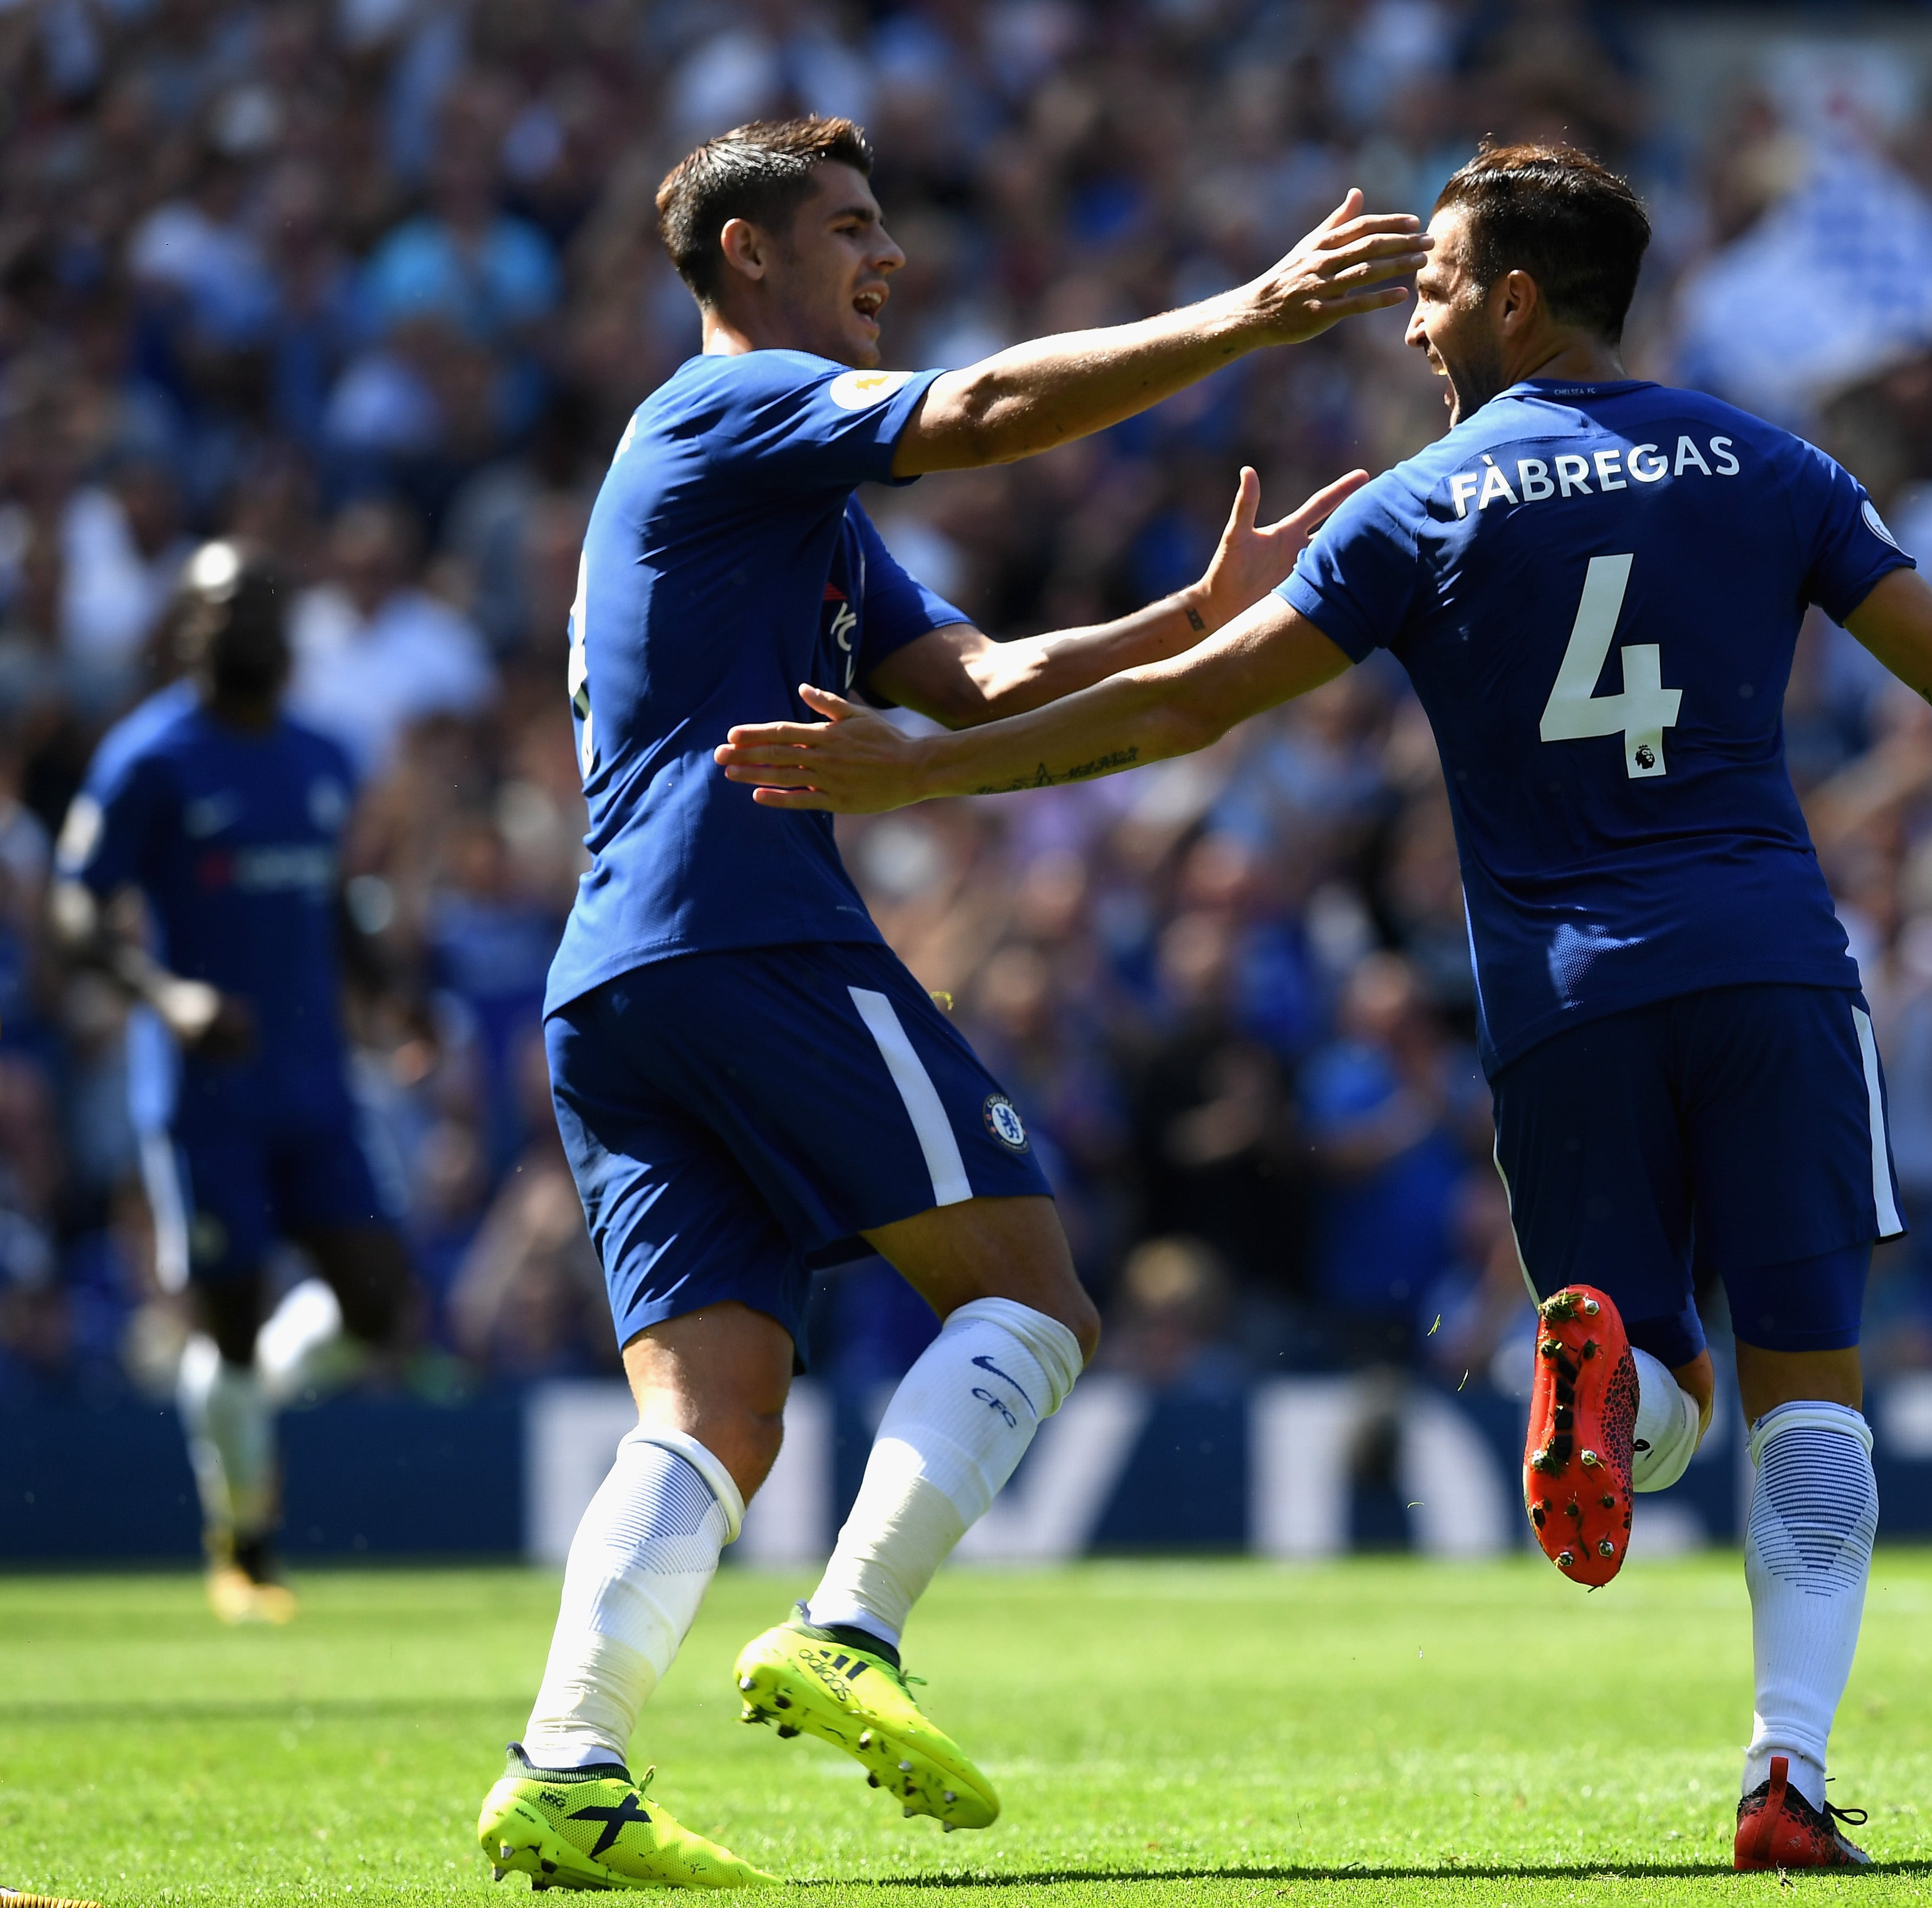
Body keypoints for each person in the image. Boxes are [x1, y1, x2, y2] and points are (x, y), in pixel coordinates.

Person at [715, 142, 1932, 1872]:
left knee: (1641, 1352)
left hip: (1560, 1001)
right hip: (1770, 962)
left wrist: (923, 770)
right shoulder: (1775, 465)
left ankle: (1615, 1363)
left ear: (1514, 297)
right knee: (1812, 1391)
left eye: (1432, 281)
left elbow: (1182, 709)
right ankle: (1785, 1769)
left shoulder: (1425, 503)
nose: (1410, 321)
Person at [477, 114, 1428, 1889]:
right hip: (742, 927)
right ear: (744, 256)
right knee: (1034, 1296)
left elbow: (979, 685)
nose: (885, 257)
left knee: (716, 1412)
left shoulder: (790, 508)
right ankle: (852, 1628)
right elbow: (980, 412)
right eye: (847, 226)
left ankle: (568, 1761)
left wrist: (1191, 617)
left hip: (616, 980)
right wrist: (1258, 312)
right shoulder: (726, 405)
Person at [51, 541, 416, 1624]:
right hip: (205, 1090)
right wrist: (166, 997)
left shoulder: (321, 752)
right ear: (189, 628)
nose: (248, 621)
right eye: (224, 605)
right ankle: (244, 1544)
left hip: (317, 1083)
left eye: (264, 601)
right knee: (230, 1318)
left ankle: (247, 1412)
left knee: (378, 1298)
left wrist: (391, 987)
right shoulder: (149, 756)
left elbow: (332, 894)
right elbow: (78, 911)